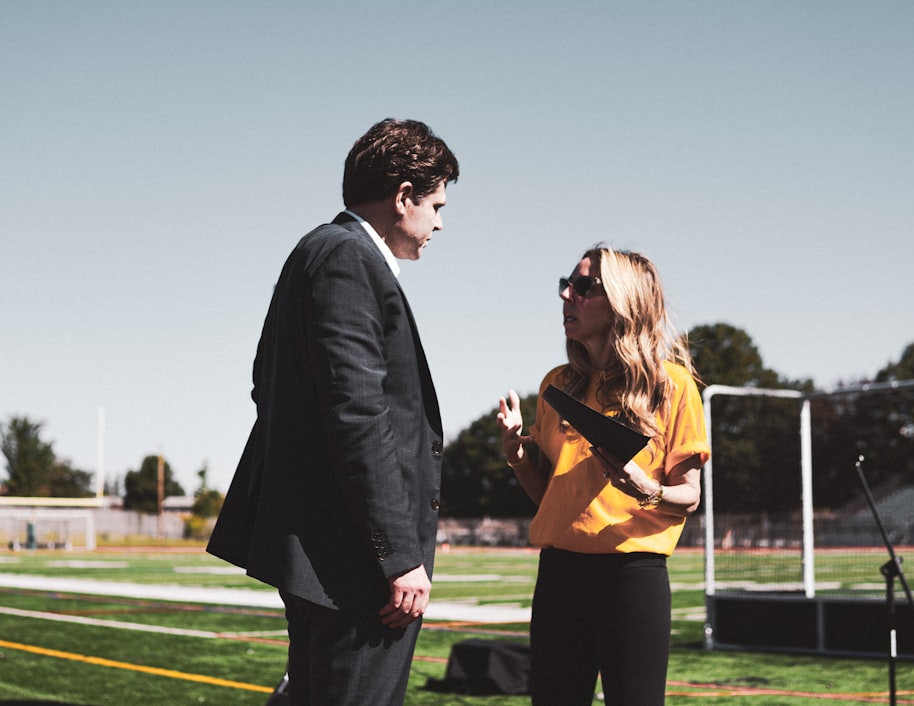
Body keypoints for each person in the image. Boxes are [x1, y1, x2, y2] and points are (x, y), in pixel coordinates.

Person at [207, 118, 459, 706]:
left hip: (325, 557)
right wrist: (398, 557)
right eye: (436, 204)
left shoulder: (317, 253)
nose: (440, 222)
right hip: (352, 568)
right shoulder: (348, 260)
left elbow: (264, 385)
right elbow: (359, 416)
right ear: (403, 198)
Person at [496, 246, 710, 706]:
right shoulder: (556, 384)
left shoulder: (672, 385)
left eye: (583, 287)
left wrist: (646, 489)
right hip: (559, 576)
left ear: (622, 301)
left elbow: (690, 496)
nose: (566, 296)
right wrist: (516, 455)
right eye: (565, 285)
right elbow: (550, 497)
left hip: (632, 577)